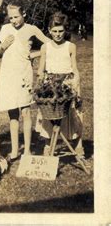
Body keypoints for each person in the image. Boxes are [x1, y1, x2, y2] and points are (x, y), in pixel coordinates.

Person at [0, 4, 50, 161]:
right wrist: (2, 46)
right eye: (11, 17)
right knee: (12, 113)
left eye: (16, 17)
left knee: (25, 111)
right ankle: (14, 150)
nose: (13, 20)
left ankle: (27, 150)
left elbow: (49, 45)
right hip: (8, 74)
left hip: (23, 73)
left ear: (24, 14)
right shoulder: (5, 29)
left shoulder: (31, 29)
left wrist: (35, 54)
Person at [36, 12, 83, 157]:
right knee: (49, 113)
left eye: (61, 31)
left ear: (65, 31)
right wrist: (40, 85)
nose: (57, 34)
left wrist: (76, 82)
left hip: (67, 82)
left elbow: (74, 67)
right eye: (54, 31)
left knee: (74, 113)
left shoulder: (70, 46)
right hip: (50, 83)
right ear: (49, 31)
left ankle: (78, 146)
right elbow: (41, 69)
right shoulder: (45, 47)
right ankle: (48, 145)